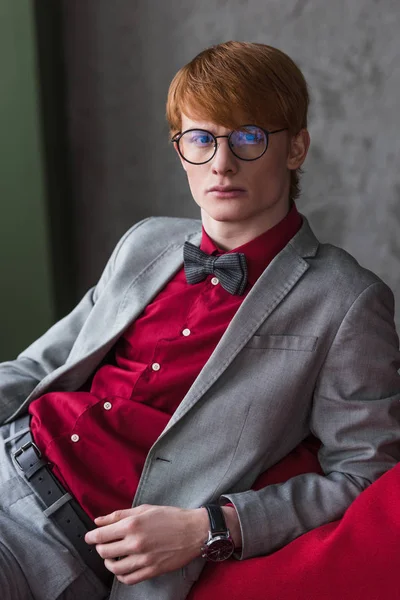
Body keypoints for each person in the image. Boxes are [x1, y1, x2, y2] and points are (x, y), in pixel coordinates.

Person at [1, 41, 399, 600]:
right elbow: (41, 365)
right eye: (201, 138)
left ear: (296, 148)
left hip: (63, 544)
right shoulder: (146, 242)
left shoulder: (347, 301)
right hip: (12, 451)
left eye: (248, 137)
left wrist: (210, 528)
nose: (221, 161)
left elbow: (366, 476)